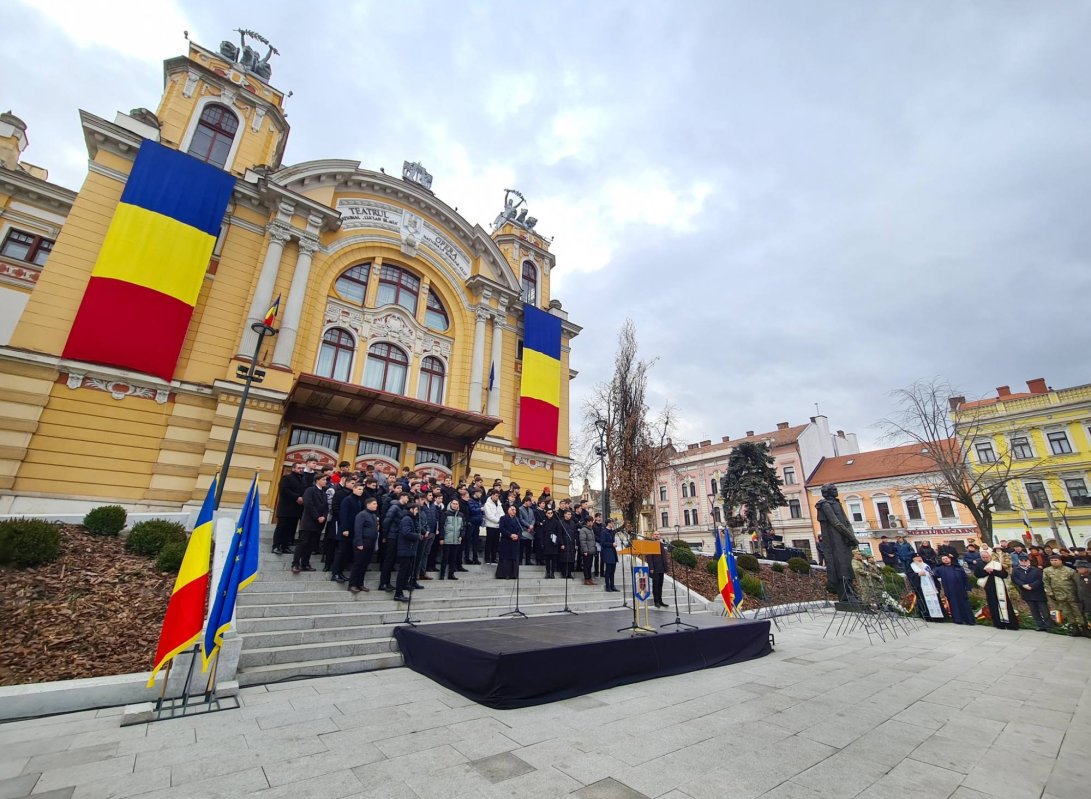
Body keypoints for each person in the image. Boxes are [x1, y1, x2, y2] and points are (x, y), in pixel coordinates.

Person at [815, 484, 859, 598]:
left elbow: (846, 521)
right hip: (835, 538)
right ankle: (845, 591)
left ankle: (850, 589)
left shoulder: (836, 503)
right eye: (834, 489)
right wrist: (850, 536)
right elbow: (835, 522)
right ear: (828, 492)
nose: (836, 491)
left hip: (844, 537)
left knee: (847, 561)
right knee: (840, 562)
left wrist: (851, 535)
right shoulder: (825, 505)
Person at [292, 473, 329, 574]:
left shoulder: (324, 492)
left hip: (318, 523)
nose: (325, 481)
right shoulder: (310, 490)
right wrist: (317, 516)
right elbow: (309, 505)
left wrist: (324, 516)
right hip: (309, 522)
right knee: (303, 543)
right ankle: (295, 564)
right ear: (317, 480)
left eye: (326, 480)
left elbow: (326, 507)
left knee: (311, 544)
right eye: (323, 479)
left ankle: (305, 564)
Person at [330, 480, 364, 583]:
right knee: (341, 552)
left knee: (346, 553)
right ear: (354, 489)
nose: (361, 491)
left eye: (362, 489)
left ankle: (340, 573)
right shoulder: (347, 500)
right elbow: (343, 515)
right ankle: (335, 573)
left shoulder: (358, 500)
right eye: (359, 489)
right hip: (345, 530)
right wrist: (344, 529)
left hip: (353, 530)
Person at [975, 551, 1018, 630]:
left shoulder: (997, 564)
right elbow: (977, 574)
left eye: (986, 557)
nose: (985, 559)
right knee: (993, 605)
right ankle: (999, 623)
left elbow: (1004, 575)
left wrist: (993, 571)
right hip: (989, 588)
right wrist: (986, 571)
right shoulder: (979, 564)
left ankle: (1010, 623)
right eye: (983, 557)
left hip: (1000, 587)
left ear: (989, 556)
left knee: (1005, 604)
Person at [1043, 553, 1085, 634]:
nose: (1054, 562)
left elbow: (1077, 583)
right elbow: (1046, 582)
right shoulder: (1047, 571)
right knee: (1067, 612)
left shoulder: (1069, 570)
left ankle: (1084, 628)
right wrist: (1050, 593)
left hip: (1072, 595)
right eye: (1052, 560)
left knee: (1078, 611)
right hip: (1059, 596)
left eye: (1056, 560)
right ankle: (1074, 628)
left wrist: (1079, 594)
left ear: (1060, 561)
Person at [272, 462, 308, 554]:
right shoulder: (286, 478)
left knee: (290, 529)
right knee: (281, 528)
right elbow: (284, 490)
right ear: (293, 468)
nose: (301, 469)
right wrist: (296, 497)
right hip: (285, 508)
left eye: (302, 468)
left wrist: (303, 497)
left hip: (296, 510)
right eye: (299, 468)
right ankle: (276, 546)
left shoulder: (302, 479)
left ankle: (285, 546)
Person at [348, 496, 380, 593]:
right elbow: (358, 529)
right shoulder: (362, 515)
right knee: (358, 564)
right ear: (368, 504)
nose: (376, 505)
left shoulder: (374, 516)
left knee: (365, 565)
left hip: (371, 544)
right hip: (362, 543)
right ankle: (352, 584)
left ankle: (360, 583)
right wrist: (359, 542)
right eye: (374, 504)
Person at [1012, 554, 1051, 631]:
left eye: (1025, 560)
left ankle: (1048, 625)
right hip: (1026, 593)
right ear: (1019, 561)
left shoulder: (1036, 570)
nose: (1024, 562)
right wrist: (1023, 585)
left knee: (1044, 609)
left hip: (1038, 592)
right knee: (1033, 610)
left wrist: (1032, 586)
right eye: (1021, 561)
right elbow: (1014, 579)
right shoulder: (1016, 570)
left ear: (1028, 561)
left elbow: (1039, 579)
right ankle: (1039, 625)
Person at [393, 504, 423, 602]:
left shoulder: (412, 519)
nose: (417, 512)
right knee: (403, 571)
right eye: (416, 510)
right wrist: (417, 536)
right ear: (411, 509)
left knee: (407, 571)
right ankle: (398, 593)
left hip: (410, 549)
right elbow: (406, 533)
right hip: (405, 548)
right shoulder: (406, 519)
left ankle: (404, 586)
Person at [934, 553, 974, 625]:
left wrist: (968, 587)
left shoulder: (957, 567)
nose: (945, 560)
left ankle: (969, 620)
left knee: (965, 604)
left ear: (950, 559)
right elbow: (934, 574)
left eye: (946, 558)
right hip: (950, 590)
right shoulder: (940, 568)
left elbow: (965, 578)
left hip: (961, 589)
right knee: (954, 604)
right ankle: (958, 620)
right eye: (943, 559)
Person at [908, 555, 945, 621]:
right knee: (924, 601)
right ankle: (928, 617)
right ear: (913, 560)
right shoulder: (911, 566)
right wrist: (918, 575)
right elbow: (910, 576)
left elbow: (933, 574)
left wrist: (932, 574)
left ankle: (939, 617)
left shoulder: (926, 565)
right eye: (917, 558)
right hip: (921, 588)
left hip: (931, 586)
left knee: (936, 600)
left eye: (920, 557)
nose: (919, 559)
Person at [438, 499, 464, 580]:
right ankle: (442, 575)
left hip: (456, 540)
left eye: (456, 504)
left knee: (453, 558)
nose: (455, 505)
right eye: (453, 504)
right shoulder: (445, 513)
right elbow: (442, 526)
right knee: (445, 558)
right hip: (447, 539)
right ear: (450, 504)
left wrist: (461, 536)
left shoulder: (461, 515)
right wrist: (441, 538)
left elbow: (463, 527)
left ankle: (451, 574)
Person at [496, 505, 522, 579]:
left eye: (515, 510)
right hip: (506, 541)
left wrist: (517, 536)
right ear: (508, 510)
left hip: (515, 542)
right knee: (506, 558)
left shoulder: (517, 519)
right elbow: (501, 528)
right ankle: (505, 574)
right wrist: (510, 535)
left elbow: (520, 529)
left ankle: (513, 574)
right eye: (512, 509)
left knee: (513, 558)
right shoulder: (503, 518)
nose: (514, 511)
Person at [647, 531, 668, 608]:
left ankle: (660, 600)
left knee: (660, 585)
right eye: (655, 534)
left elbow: (664, 556)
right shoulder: (650, 544)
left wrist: (665, 567)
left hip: (661, 567)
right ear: (652, 536)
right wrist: (651, 567)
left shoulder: (662, 544)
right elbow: (649, 557)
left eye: (658, 534)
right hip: (655, 568)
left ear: (660, 536)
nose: (657, 535)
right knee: (655, 585)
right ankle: (656, 601)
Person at [482, 489, 504, 564]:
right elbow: (489, 515)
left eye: (498, 496)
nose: (497, 497)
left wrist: (501, 520)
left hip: (498, 527)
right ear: (492, 495)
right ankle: (487, 558)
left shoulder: (499, 504)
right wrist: (498, 520)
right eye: (496, 495)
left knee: (496, 543)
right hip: (490, 526)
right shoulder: (487, 504)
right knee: (489, 543)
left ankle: (494, 558)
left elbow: (502, 513)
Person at [538, 507, 560, 578]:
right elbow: (542, 533)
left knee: (554, 560)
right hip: (546, 543)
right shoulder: (544, 522)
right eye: (548, 513)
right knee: (547, 560)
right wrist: (542, 543)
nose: (550, 514)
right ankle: (547, 573)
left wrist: (557, 541)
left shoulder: (556, 522)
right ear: (546, 514)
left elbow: (558, 532)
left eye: (551, 513)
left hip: (554, 543)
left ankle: (552, 573)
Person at [599, 519, 619, 592]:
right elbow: (602, 543)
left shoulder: (612, 532)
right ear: (608, 524)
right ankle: (607, 586)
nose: (613, 524)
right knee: (608, 570)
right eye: (612, 523)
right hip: (607, 553)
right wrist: (611, 544)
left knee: (612, 571)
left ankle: (612, 585)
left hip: (613, 552)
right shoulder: (604, 532)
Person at [558, 509, 579, 579]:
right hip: (564, 543)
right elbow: (559, 534)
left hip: (572, 543)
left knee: (571, 559)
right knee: (564, 559)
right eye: (568, 514)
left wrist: (576, 543)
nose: (569, 516)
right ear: (564, 514)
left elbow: (575, 533)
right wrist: (561, 543)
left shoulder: (573, 523)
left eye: (570, 514)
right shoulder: (561, 522)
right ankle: (564, 573)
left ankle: (569, 573)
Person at [517, 495, 536, 566]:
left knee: (528, 547)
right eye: (529, 501)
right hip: (523, 530)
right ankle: (519, 561)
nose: (530, 503)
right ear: (525, 501)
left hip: (530, 531)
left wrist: (531, 525)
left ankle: (528, 560)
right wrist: (528, 525)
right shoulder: (520, 509)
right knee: (521, 547)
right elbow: (521, 519)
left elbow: (533, 519)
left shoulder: (531, 510)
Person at [578, 518, 597, 585]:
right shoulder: (583, 530)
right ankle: (586, 579)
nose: (592, 523)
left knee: (589, 565)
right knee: (586, 565)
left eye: (592, 521)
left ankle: (590, 578)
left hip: (591, 550)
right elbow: (583, 541)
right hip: (587, 551)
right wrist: (585, 550)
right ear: (587, 522)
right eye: (591, 522)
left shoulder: (591, 529)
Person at [1075, 560, 1091, 626]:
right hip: (1082, 601)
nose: (1077, 569)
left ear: (1086, 568)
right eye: (1077, 568)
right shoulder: (1078, 576)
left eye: (1080, 568)